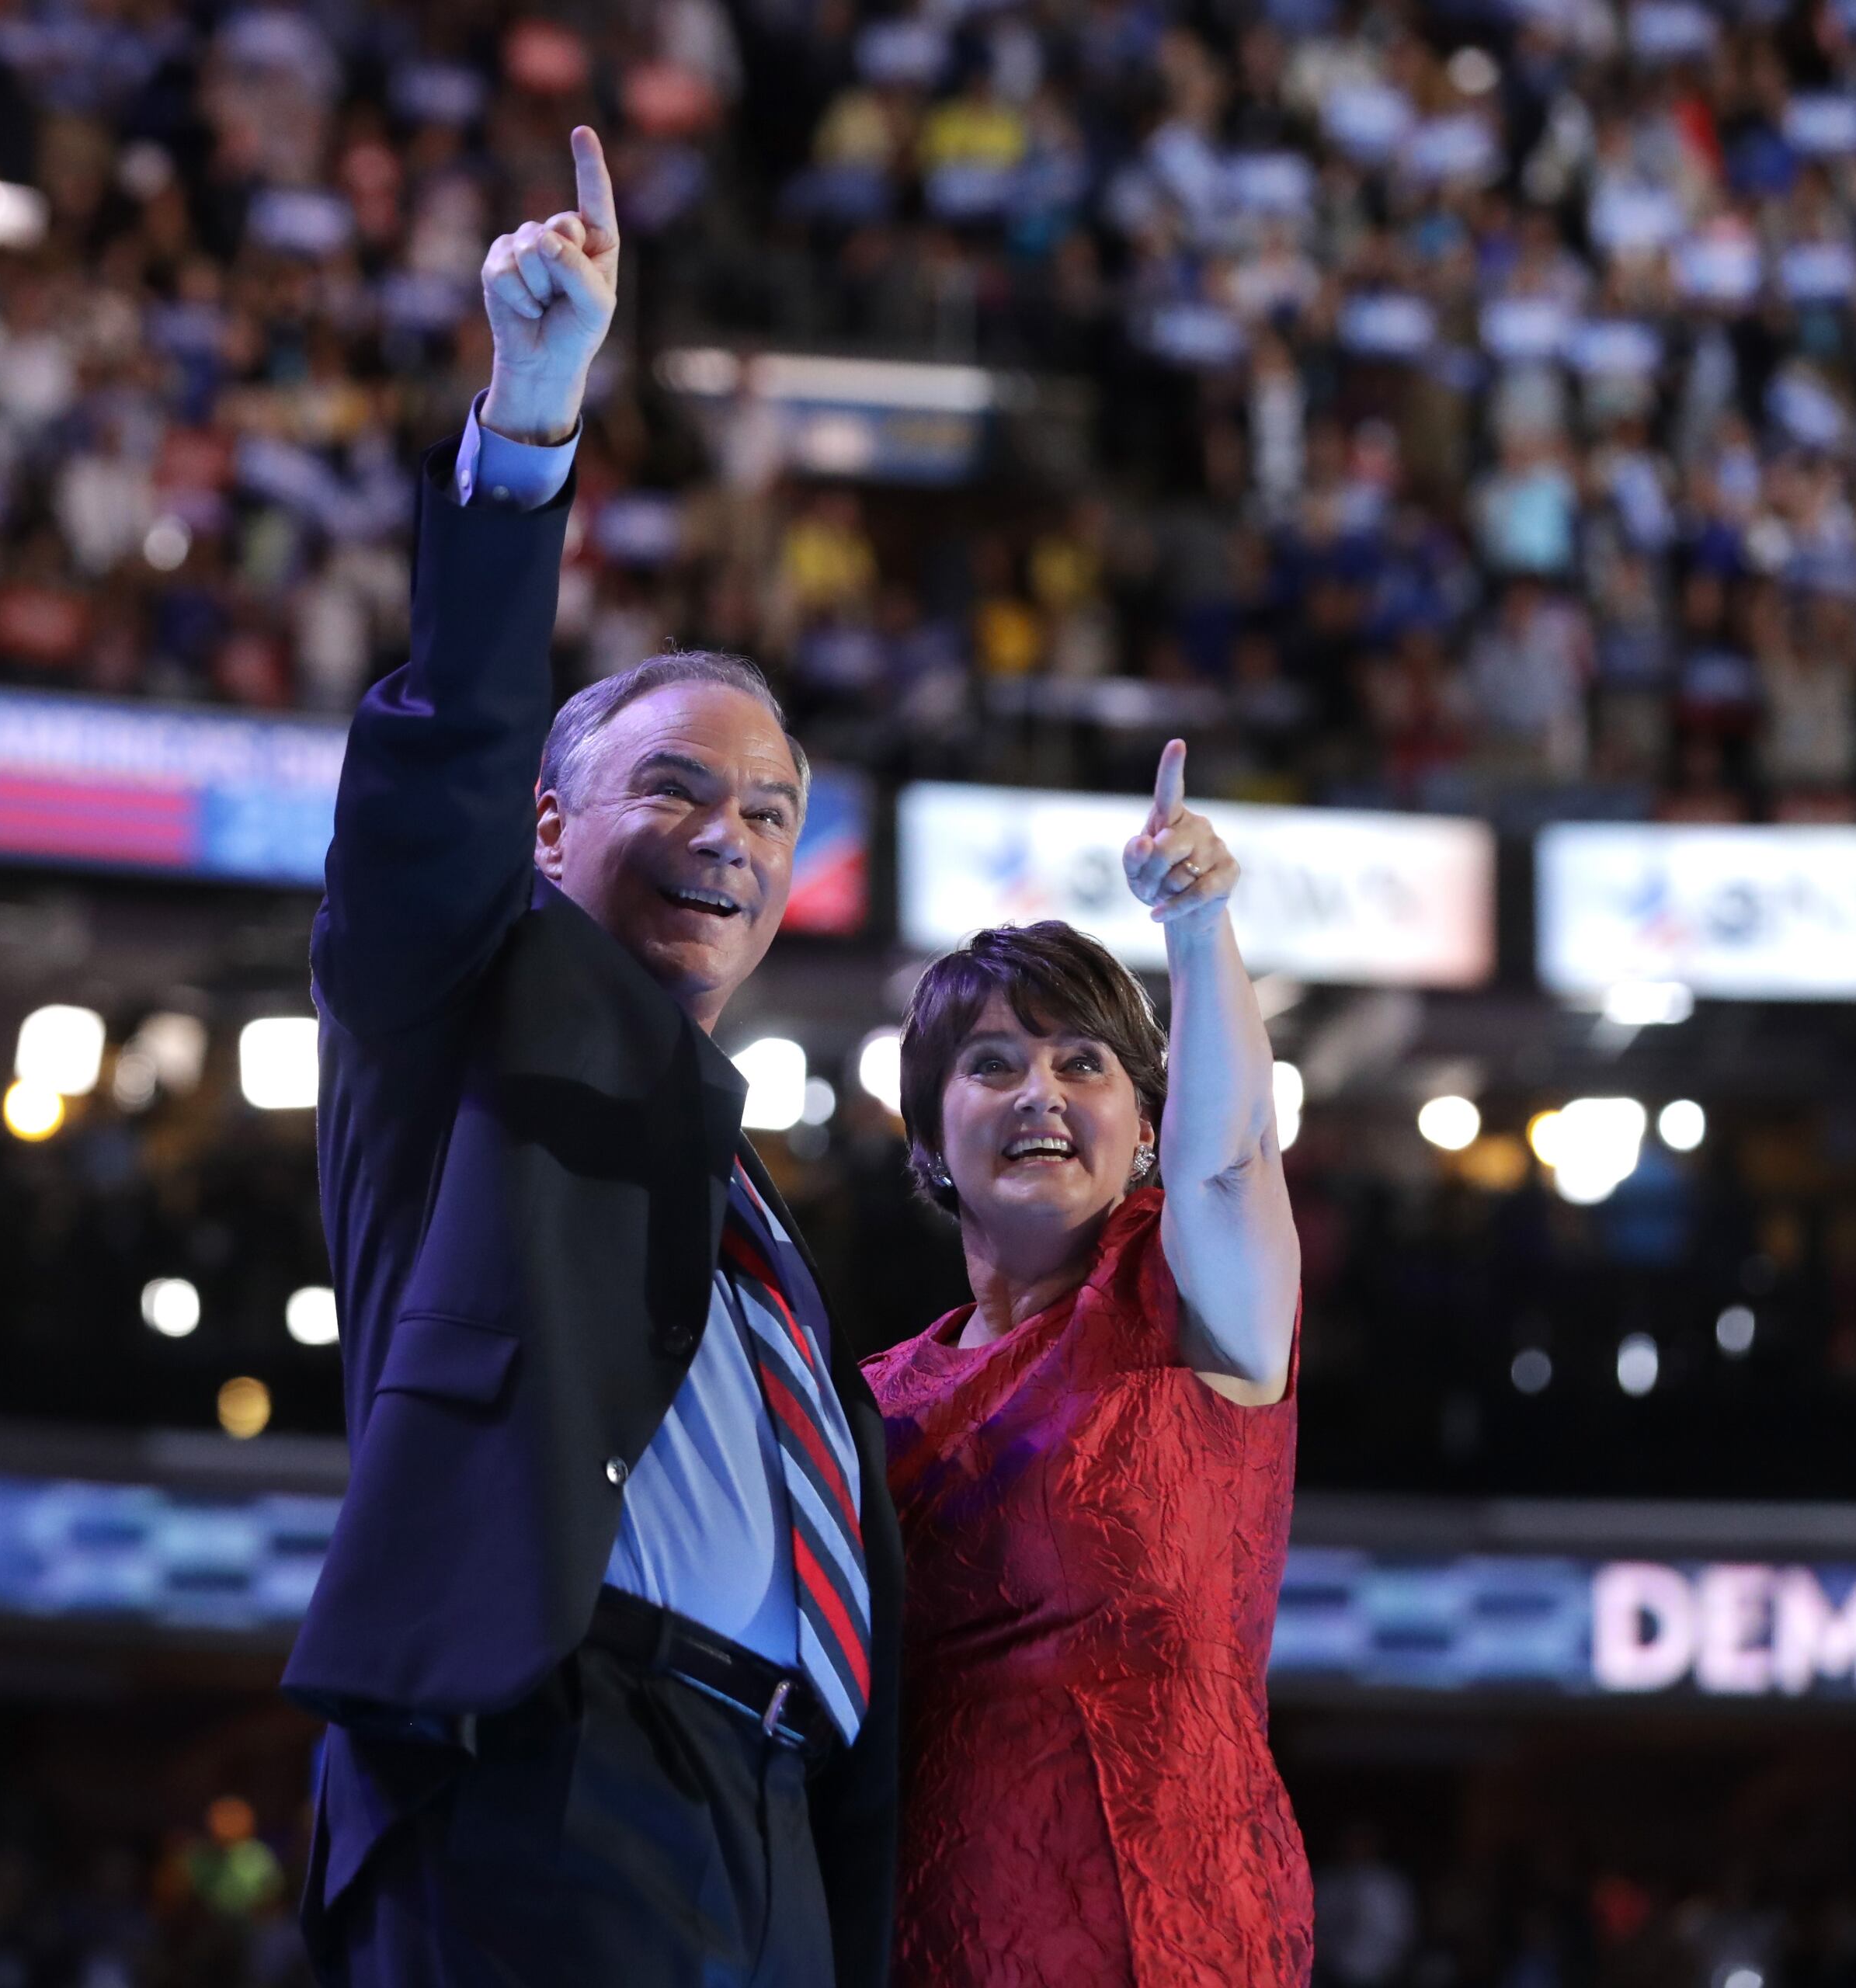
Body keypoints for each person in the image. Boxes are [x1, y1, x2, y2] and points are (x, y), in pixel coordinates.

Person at [287, 127, 902, 1988]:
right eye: (679, 784)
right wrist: (532, 419)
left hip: (779, 1812)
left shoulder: (743, 1199)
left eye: (777, 809)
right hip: (554, 1771)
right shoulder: (447, 1014)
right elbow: (446, 743)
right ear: (548, 829)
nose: (734, 830)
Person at [863, 740, 1311, 1986]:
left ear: (1146, 1125)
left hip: (1184, 1946)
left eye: (1083, 1063)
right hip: (924, 1939)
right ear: (931, 1136)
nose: (1039, 1093)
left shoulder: (1192, 1301)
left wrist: (1200, 925)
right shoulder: (865, 1403)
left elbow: (1231, 1164)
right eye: (991, 1065)